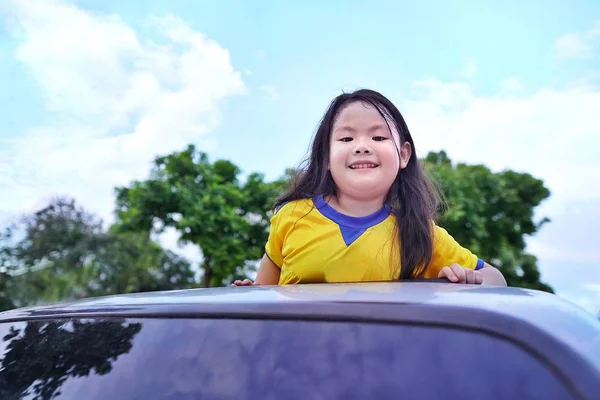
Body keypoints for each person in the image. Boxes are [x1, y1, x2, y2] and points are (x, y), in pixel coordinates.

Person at [233, 89, 506, 287]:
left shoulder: (420, 233)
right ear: (326, 157)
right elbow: (264, 295)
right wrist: (248, 294)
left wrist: (469, 281)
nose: (361, 146)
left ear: (403, 155)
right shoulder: (291, 216)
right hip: (296, 361)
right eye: (346, 137)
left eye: (378, 136)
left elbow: (497, 281)